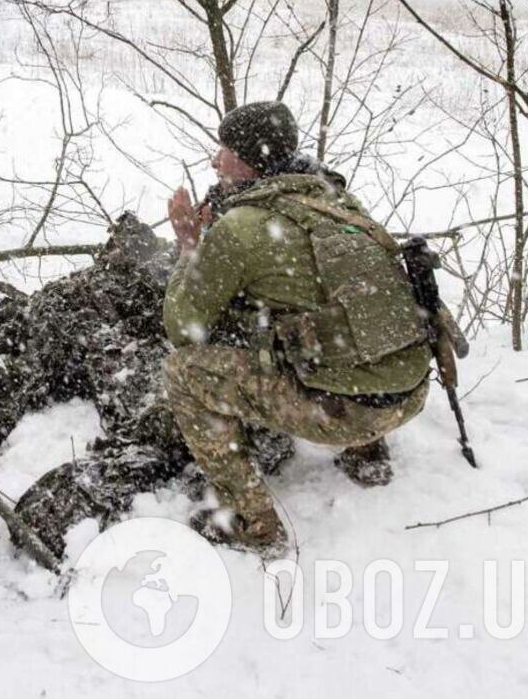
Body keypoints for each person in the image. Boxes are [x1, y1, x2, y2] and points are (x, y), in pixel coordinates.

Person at [162, 102, 432, 554]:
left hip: (349, 413)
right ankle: (368, 455)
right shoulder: (335, 199)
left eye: (224, 150)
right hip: (409, 392)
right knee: (330, 310)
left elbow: (183, 329)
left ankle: (253, 523)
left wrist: (189, 246)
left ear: (250, 160)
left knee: (182, 372)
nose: (214, 161)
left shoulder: (242, 227)